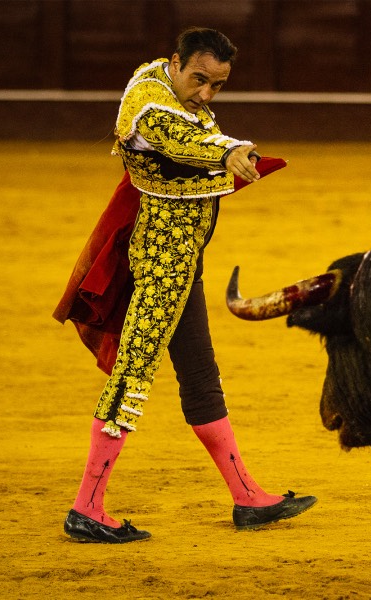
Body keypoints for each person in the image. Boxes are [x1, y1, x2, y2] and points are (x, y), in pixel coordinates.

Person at [55, 27, 316, 543]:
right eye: (198, 79)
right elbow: (176, 134)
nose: (205, 94)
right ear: (176, 62)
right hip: (160, 263)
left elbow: (190, 124)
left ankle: (247, 496)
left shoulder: (157, 76)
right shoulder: (149, 105)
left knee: (200, 377)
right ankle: (87, 507)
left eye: (217, 85)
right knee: (131, 377)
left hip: (183, 264)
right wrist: (227, 152)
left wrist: (224, 149)